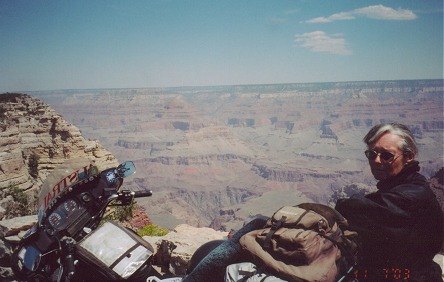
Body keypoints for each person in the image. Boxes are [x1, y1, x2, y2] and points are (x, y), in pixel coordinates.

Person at [335, 123, 444, 281]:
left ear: (409, 157)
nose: (377, 161)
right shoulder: (408, 184)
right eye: (372, 154)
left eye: (387, 155)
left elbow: (356, 209)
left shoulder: (411, 196)